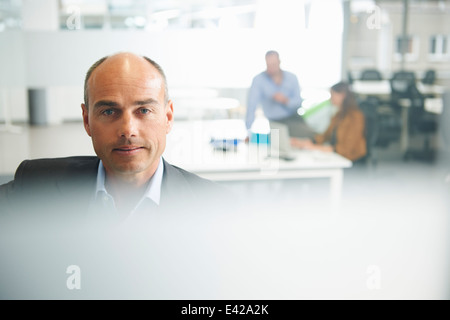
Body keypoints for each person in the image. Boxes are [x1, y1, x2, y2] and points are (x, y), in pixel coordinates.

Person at [0, 52, 227, 223]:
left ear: (168, 117)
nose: (128, 130)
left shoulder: (215, 208)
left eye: (144, 111)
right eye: (109, 112)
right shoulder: (34, 188)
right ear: (87, 120)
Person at [245, 50, 315, 139]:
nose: (270, 68)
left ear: (279, 62)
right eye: (268, 65)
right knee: (274, 142)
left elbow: (298, 103)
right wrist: (248, 130)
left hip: (293, 119)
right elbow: (251, 106)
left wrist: (285, 100)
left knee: (312, 137)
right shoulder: (259, 80)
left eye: (273, 65)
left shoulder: (292, 78)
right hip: (275, 123)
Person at [290, 81, 367, 161]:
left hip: (348, 157)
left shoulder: (355, 117)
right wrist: (307, 142)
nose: (331, 98)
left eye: (333, 95)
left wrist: (316, 147)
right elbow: (325, 136)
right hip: (336, 154)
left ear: (342, 95)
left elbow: (346, 149)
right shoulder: (338, 115)